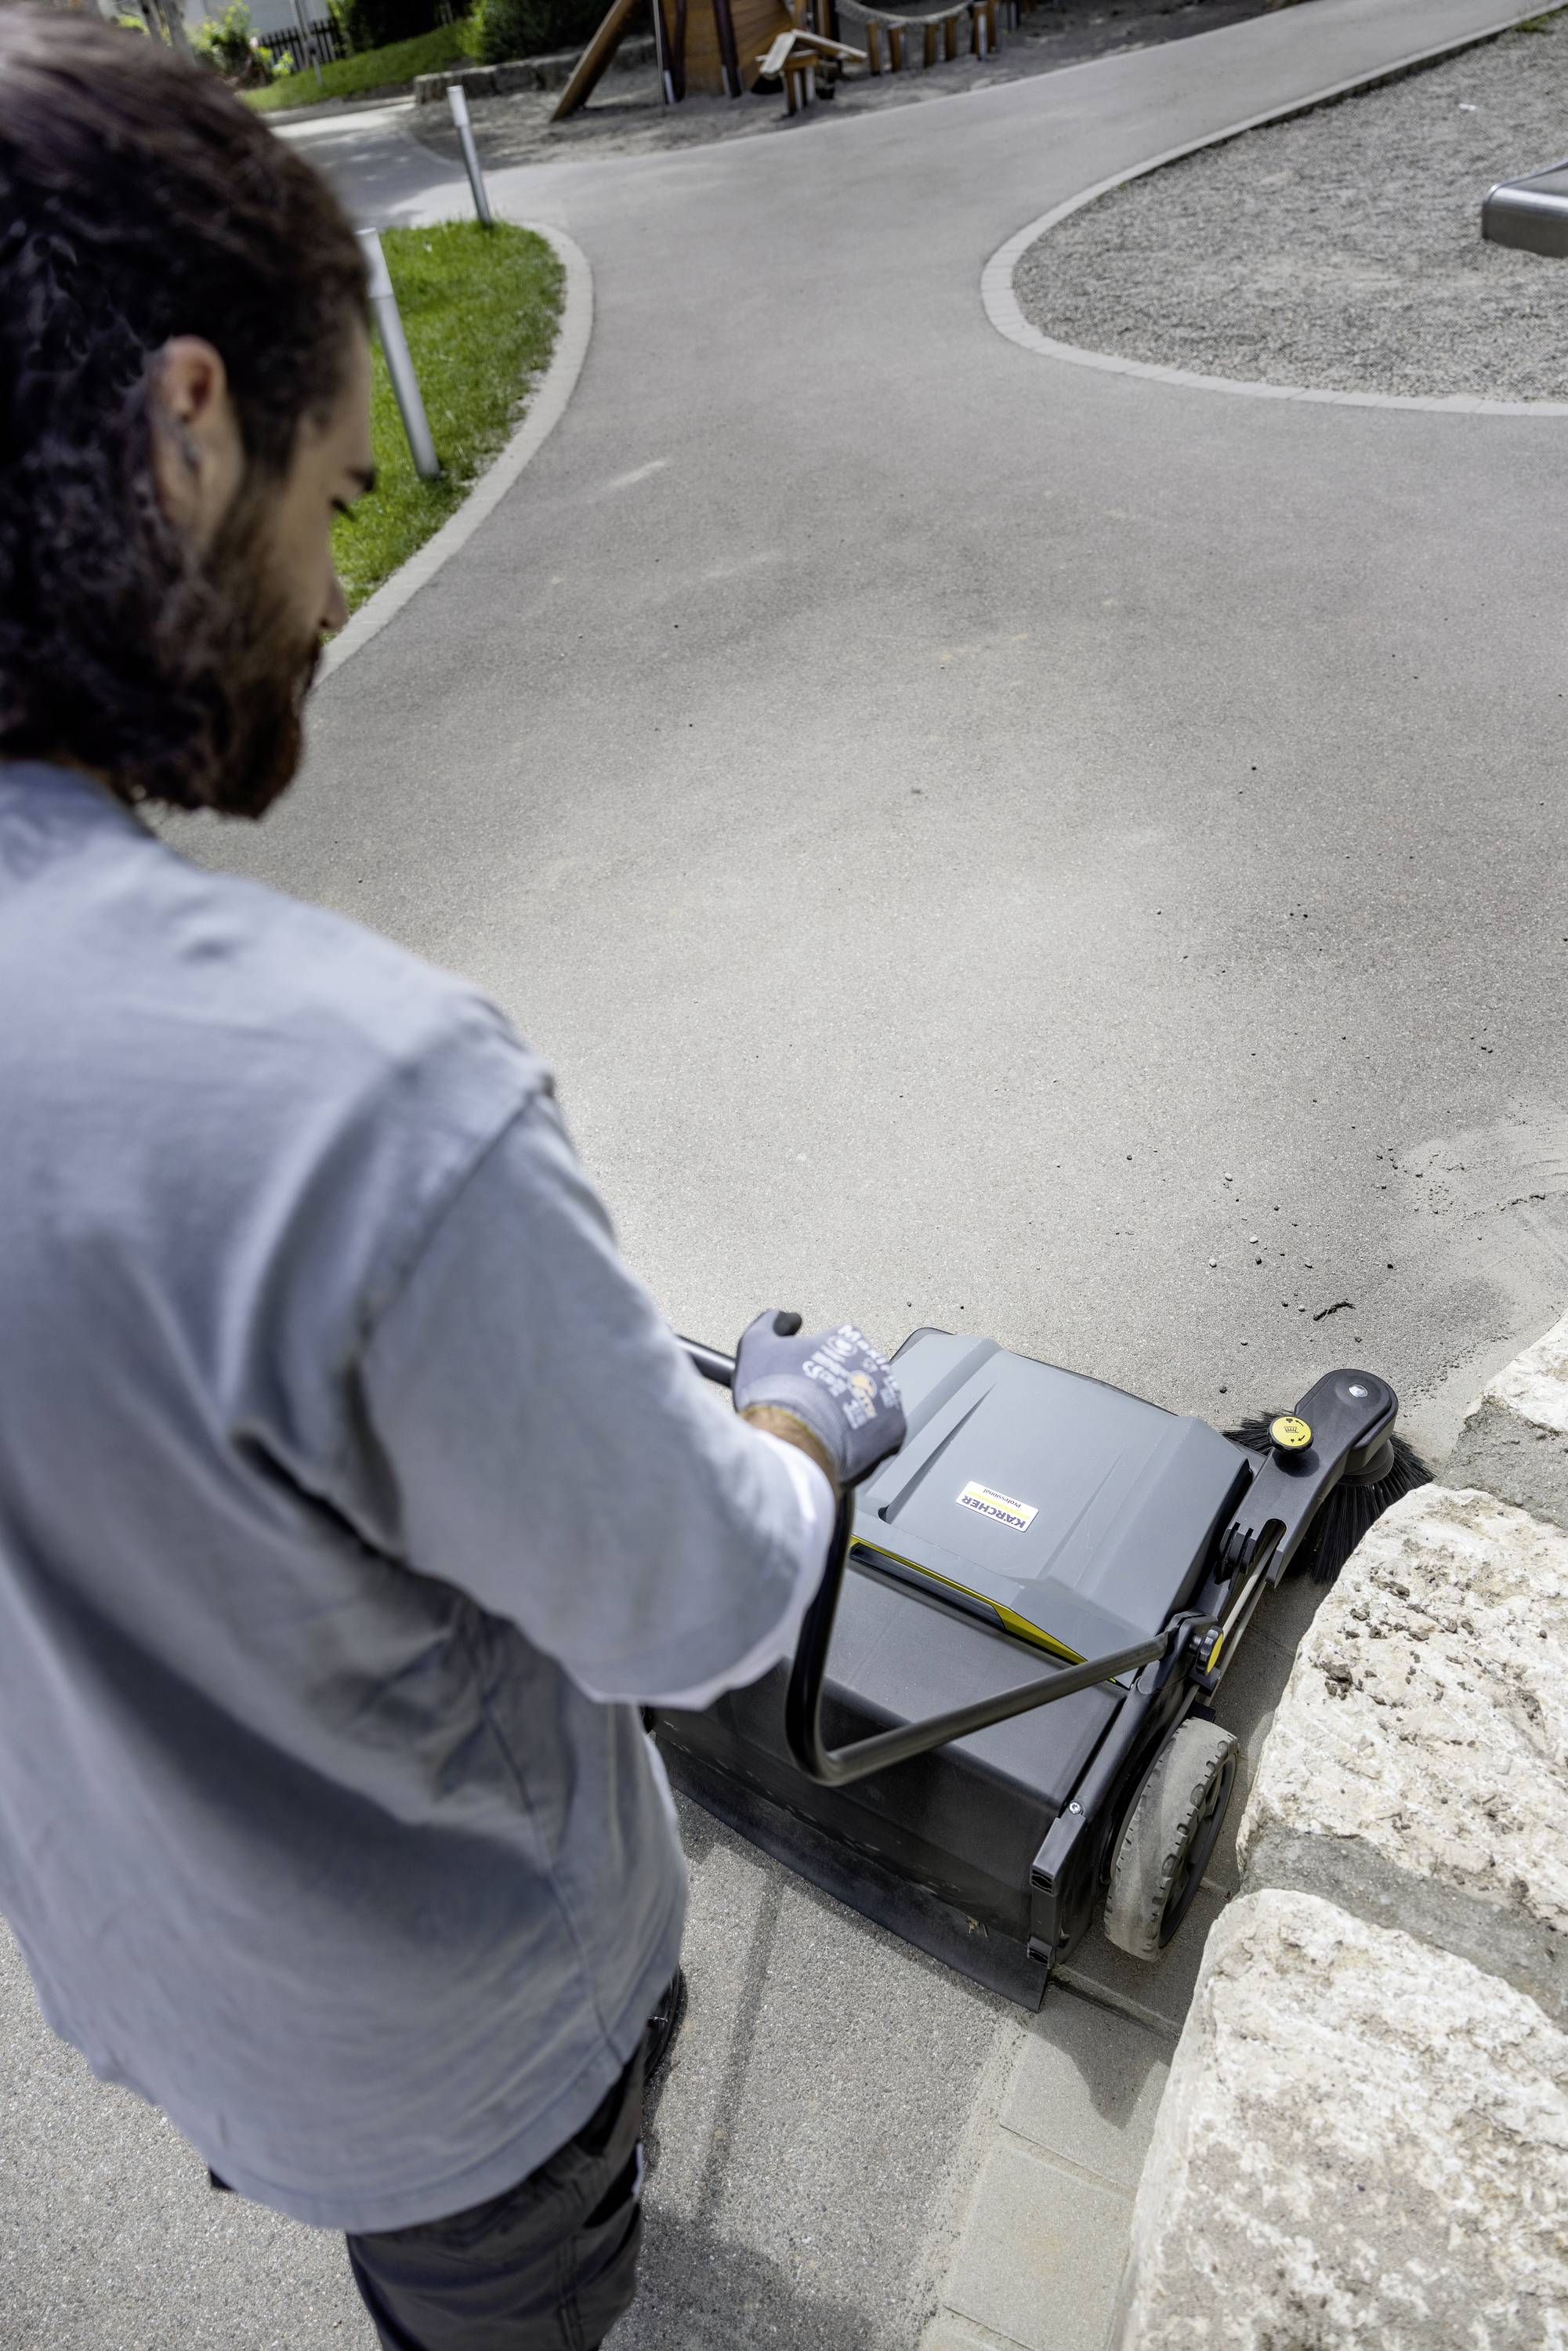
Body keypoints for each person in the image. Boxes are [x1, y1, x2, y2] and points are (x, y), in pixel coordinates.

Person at [0, 15, 906, 2348]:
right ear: (189, 427)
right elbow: (691, 1605)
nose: (333, 563)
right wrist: (804, 1427)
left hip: (152, 1970)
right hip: (451, 2064)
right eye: (336, 477)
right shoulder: (348, 1103)